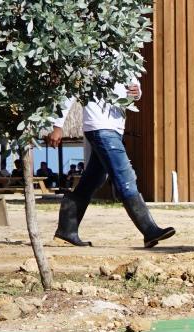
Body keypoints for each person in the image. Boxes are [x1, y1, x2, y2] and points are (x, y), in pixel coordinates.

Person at [43, 83, 174, 248]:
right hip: (100, 126)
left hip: (116, 128)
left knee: (92, 180)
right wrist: (57, 125)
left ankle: (66, 230)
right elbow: (69, 92)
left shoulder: (124, 58)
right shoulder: (90, 61)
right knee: (125, 176)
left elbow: (134, 89)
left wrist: (137, 92)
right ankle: (149, 230)